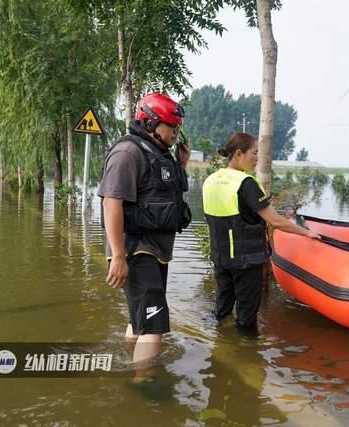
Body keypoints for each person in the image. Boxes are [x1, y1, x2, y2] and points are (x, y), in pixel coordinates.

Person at [97, 93, 191, 379]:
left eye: (177, 128)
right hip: (136, 250)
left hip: (155, 251)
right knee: (155, 325)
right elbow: (110, 202)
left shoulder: (159, 154)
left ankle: (129, 363)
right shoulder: (128, 153)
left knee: (141, 317)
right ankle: (142, 384)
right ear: (150, 123)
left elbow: (167, 195)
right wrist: (118, 256)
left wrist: (182, 164)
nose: (176, 133)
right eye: (171, 127)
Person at [202, 133, 319, 332]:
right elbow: (275, 221)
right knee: (246, 320)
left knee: (221, 311)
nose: (257, 158)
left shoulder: (211, 180)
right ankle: (248, 356)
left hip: (221, 258)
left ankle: (217, 347)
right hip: (245, 261)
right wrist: (307, 233)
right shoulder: (246, 183)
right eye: (254, 153)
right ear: (238, 153)